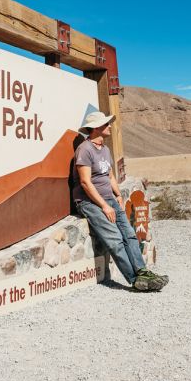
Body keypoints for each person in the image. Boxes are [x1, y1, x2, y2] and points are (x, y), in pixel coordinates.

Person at [72, 111, 169, 290]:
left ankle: (143, 273)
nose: (109, 127)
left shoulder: (105, 150)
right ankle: (134, 280)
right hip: (90, 202)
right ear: (96, 129)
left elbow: (109, 176)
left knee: (129, 235)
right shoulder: (84, 150)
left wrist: (117, 195)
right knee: (115, 239)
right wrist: (104, 206)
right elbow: (85, 182)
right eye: (105, 124)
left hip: (109, 199)